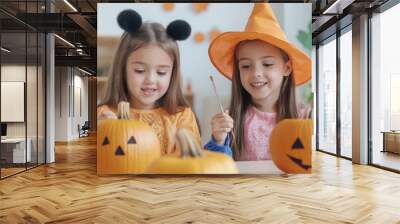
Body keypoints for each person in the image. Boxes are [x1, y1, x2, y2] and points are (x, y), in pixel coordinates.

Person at [204, 3, 312, 161]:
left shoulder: (304, 117)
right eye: (246, 66)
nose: (256, 73)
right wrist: (218, 139)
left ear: (287, 68)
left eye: (267, 64)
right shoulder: (232, 119)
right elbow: (216, 166)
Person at [98, 9, 200, 155]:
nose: (150, 80)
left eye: (161, 72)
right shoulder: (104, 114)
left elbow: (191, 164)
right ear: (122, 69)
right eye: (139, 70)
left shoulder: (182, 116)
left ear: (173, 73)